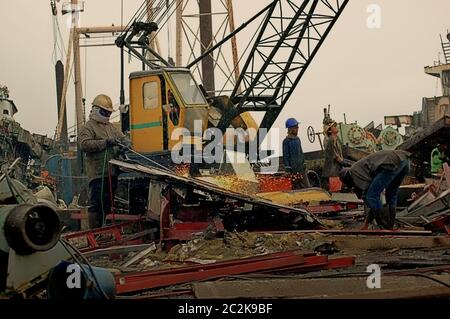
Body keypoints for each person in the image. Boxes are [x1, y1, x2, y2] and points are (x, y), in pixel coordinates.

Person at [79, 94, 128, 229]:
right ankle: (95, 231)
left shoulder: (111, 127)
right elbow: (84, 145)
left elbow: (122, 139)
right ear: (95, 109)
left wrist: (126, 144)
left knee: (108, 204)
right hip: (97, 174)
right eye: (104, 112)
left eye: (108, 112)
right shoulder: (88, 127)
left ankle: (105, 231)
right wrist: (105, 143)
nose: (106, 115)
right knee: (97, 205)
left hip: (111, 173)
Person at [339, 150, 410, 230]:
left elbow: (370, 198)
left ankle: (384, 227)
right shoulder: (360, 170)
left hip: (391, 162)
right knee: (391, 194)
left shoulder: (354, 173)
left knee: (372, 196)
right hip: (404, 160)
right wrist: (366, 223)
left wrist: (366, 223)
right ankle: (390, 226)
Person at [283, 118, 310, 189]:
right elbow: (286, 156)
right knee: (296, 187)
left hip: (301, 169)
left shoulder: (298, 139)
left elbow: (301, 153)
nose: (298, 129)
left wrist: (304, 164)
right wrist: (288, 169)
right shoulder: (286, 141)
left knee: (307, 186)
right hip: (293, 170)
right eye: (296, 127)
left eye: (297, 127)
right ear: (291, 129)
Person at [322, 121, 344, 191]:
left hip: (336, 171)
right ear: (330, 131)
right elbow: (336, 157)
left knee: (337, 192)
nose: (336, 127)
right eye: (334, 126)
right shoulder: (331, 140)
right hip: (332, 172)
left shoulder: (336, 139)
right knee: (335, 193)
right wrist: (348, 163)